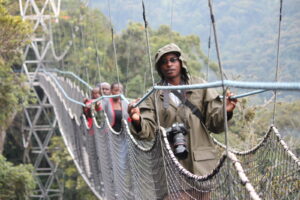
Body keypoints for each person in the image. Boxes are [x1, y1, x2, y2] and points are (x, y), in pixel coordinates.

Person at [128, 43, 237, 176]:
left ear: (181, 62)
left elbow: (215, 124)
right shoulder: (153, 95)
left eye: (173, 60)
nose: (169, 64)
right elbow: (147, 132)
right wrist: (137, 121)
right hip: (169, 166)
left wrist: (226, 110)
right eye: (164, 62)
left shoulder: (200, 86)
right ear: (159, 68)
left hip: (201, 164)